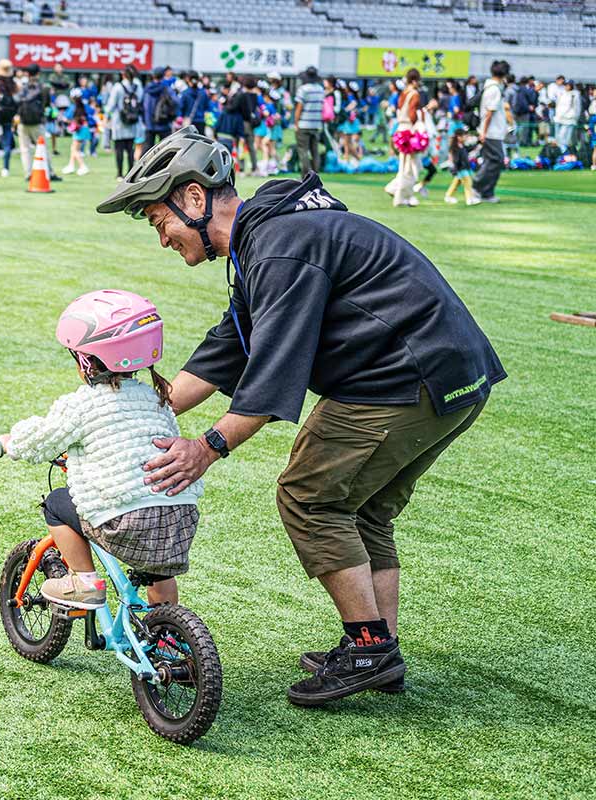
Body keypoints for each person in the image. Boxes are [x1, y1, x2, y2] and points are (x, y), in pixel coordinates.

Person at [97, 128, 505, 706]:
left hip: (402, 381)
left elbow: (275, 367)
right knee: (359, 509)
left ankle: (368, 649)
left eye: (156, 220)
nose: (161, 238)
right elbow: (234, 343)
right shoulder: (267, 238)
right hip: (452, 376)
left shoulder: (280, 244)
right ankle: (378, 650)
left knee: (309, 496)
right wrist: (143, 406)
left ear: (193, 199)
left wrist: (207, 447)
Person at [0, 290, 202, 609]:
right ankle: (166, 626)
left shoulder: (83, 405)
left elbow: (39, 439)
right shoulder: (157, 399)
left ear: (86, 362)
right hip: (178, 522)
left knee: (56, 503)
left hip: (125, 523)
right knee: (157, 569)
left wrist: (11, 443)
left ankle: (84, 581)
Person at [473, 60, 513, 204]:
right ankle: (478, 187)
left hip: (491, 131)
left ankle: (486, 192)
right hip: (491, 132)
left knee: (492, 160)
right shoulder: (494, 89)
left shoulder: (491, 87)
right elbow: (489, 113)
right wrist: (483, 132)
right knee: (496, 160)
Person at [16, 64, 56, 180]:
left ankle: (28, 173)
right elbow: (47, 104)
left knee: (25, 149)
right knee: (43, 147)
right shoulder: (43, 87)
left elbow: (17, 101)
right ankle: (50, 172)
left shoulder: (23, 87)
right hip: (37, 122)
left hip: (23, 122)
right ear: (38, 73)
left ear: (27, 74)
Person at [105, 65, 144, 179]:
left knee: (119, 149)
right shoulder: (137, 87)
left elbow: (111, 104)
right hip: (133, 120)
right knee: (130, 149)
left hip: (119, 121)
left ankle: (119, 174)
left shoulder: (118, 87)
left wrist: (106, 116)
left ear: (123, 75)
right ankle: (131, 173)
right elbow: (140, 100)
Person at [390, 69, 423, 208]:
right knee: (410, 167)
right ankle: (402, 196)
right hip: (409, 130)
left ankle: (395, 189)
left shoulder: (403, 93)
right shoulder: (414, 94)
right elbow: (412, 113)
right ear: (415, 80)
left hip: (400, 129)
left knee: (404, 164)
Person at [293, 66, 323, 174]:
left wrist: (296, 123)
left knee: (303, 151)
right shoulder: (320, 89)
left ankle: (306, 176)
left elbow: (299, 108)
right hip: (316, 124)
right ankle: (315, 175)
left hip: (304, 124)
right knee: (315, 151)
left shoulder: (303, 89)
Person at [142, 66, 177, 151]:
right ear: (163, 75)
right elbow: (176, 103)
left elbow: (141, 106)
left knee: (147, 150)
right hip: (164, 123)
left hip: (149, 124)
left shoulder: (147, 89)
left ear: (153, 76)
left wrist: (145, 120)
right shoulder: (167, 88)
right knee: (166, 150)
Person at [442, 128, 478, 206]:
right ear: (459, 137)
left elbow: (467, 151)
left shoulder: (462, 145)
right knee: (468, 183)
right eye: (464, 136)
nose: (465, 138)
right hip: (460, 169)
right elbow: (455, 160)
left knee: (456, 183)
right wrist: (456, 169)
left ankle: (448, 196)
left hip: (465, 168)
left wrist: (477, 144)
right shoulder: (455, 147)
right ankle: (469, 199)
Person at [61, 87, 90, 176]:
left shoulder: (73, 107)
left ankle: (83, 166)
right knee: (73, 148)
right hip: (84, 129)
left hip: (79, 130)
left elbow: (66, 118)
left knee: (75, 149)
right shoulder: (84, 106)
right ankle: (71, 166)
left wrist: (66, 120)